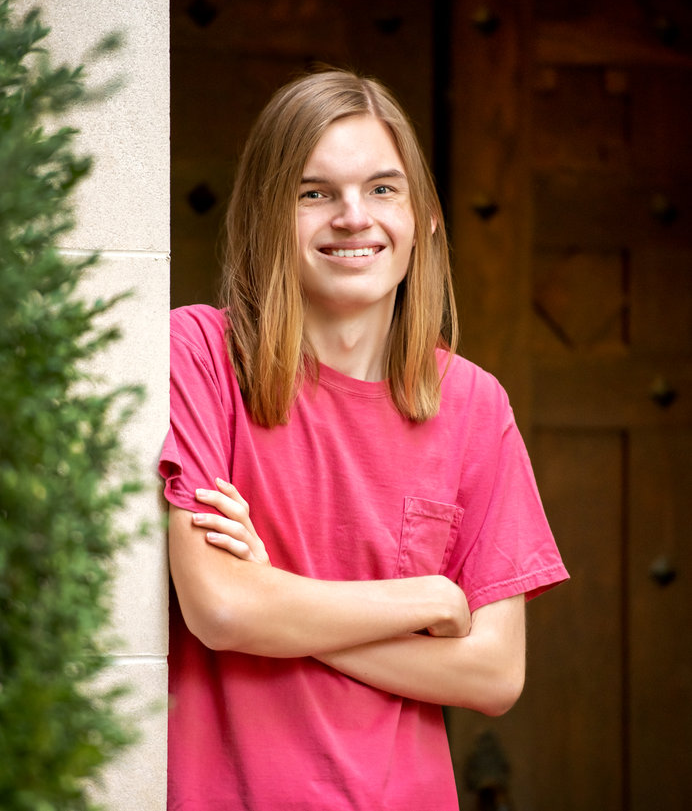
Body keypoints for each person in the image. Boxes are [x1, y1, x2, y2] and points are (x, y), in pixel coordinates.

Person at [159, 69, 568, 811]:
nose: (355, 216)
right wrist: (427, 597)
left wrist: (274, 605)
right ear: (264, 216)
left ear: (426, 218)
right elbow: (218, 608)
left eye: (383, 189)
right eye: (315, 192)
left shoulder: (474, 405)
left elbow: (495, 673)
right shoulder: (200, 356)